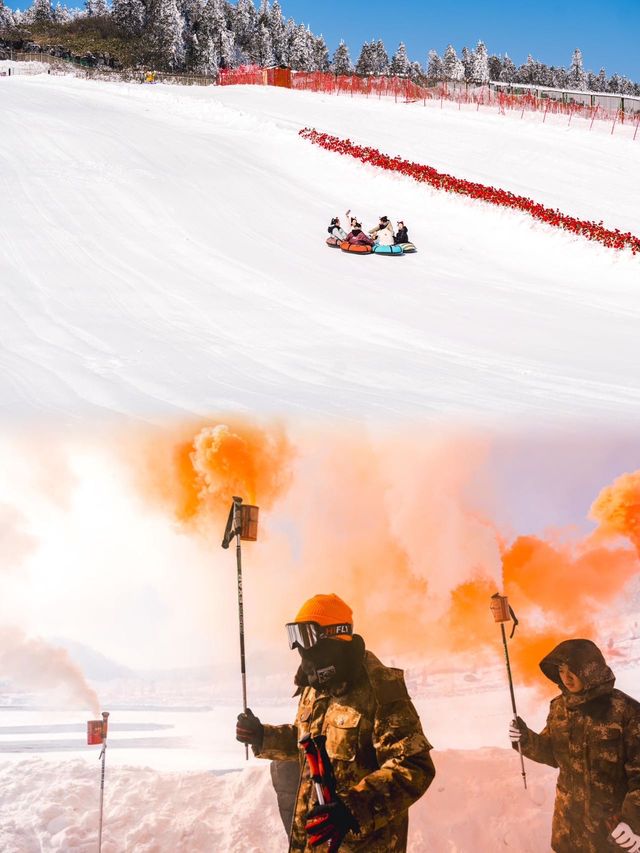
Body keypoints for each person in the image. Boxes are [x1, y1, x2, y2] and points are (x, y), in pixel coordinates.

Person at [236, 594, 435, 852]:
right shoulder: (316, 687)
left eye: (307, 638)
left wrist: (353, 808)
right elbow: (306, 741)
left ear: (335, 636)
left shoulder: (380, 691)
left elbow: (414, 766)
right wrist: (263, 736)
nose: (302, 651)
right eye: (296, 640)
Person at [509, 639, 640, 853]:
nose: (566, 677)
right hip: (568, 828)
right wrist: (524, 739)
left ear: (591, 670)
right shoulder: (559, 707)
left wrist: (634, 822)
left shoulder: (626, 711)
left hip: (611, 831)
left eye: (573, 670)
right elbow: (552, 754)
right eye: (561, 670)